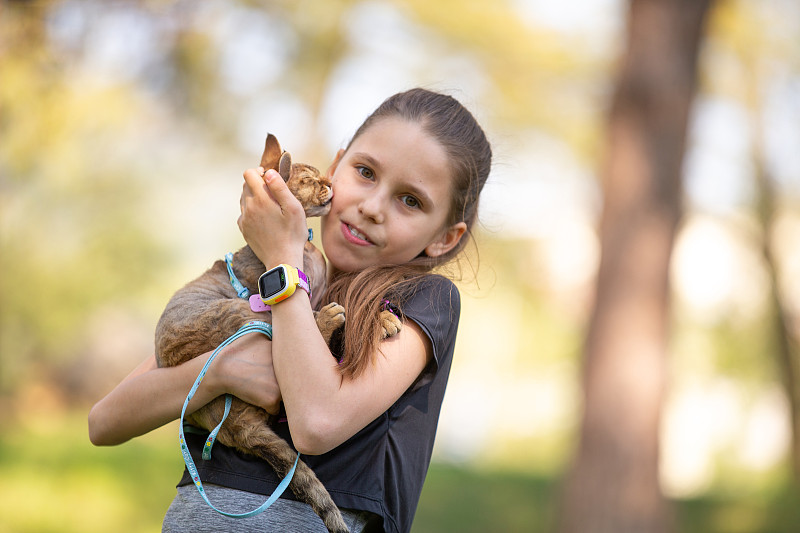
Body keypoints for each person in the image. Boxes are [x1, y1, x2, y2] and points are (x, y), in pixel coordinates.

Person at [88, 88, 492, 533]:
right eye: (365, 172)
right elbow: (104, 422)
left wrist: (285, 257)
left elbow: (316, 423)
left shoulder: (422, 300)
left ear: (444, 239)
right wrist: (218, 371)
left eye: (410, 200)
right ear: (334, 168)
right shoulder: (253, 278)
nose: (372, 208)